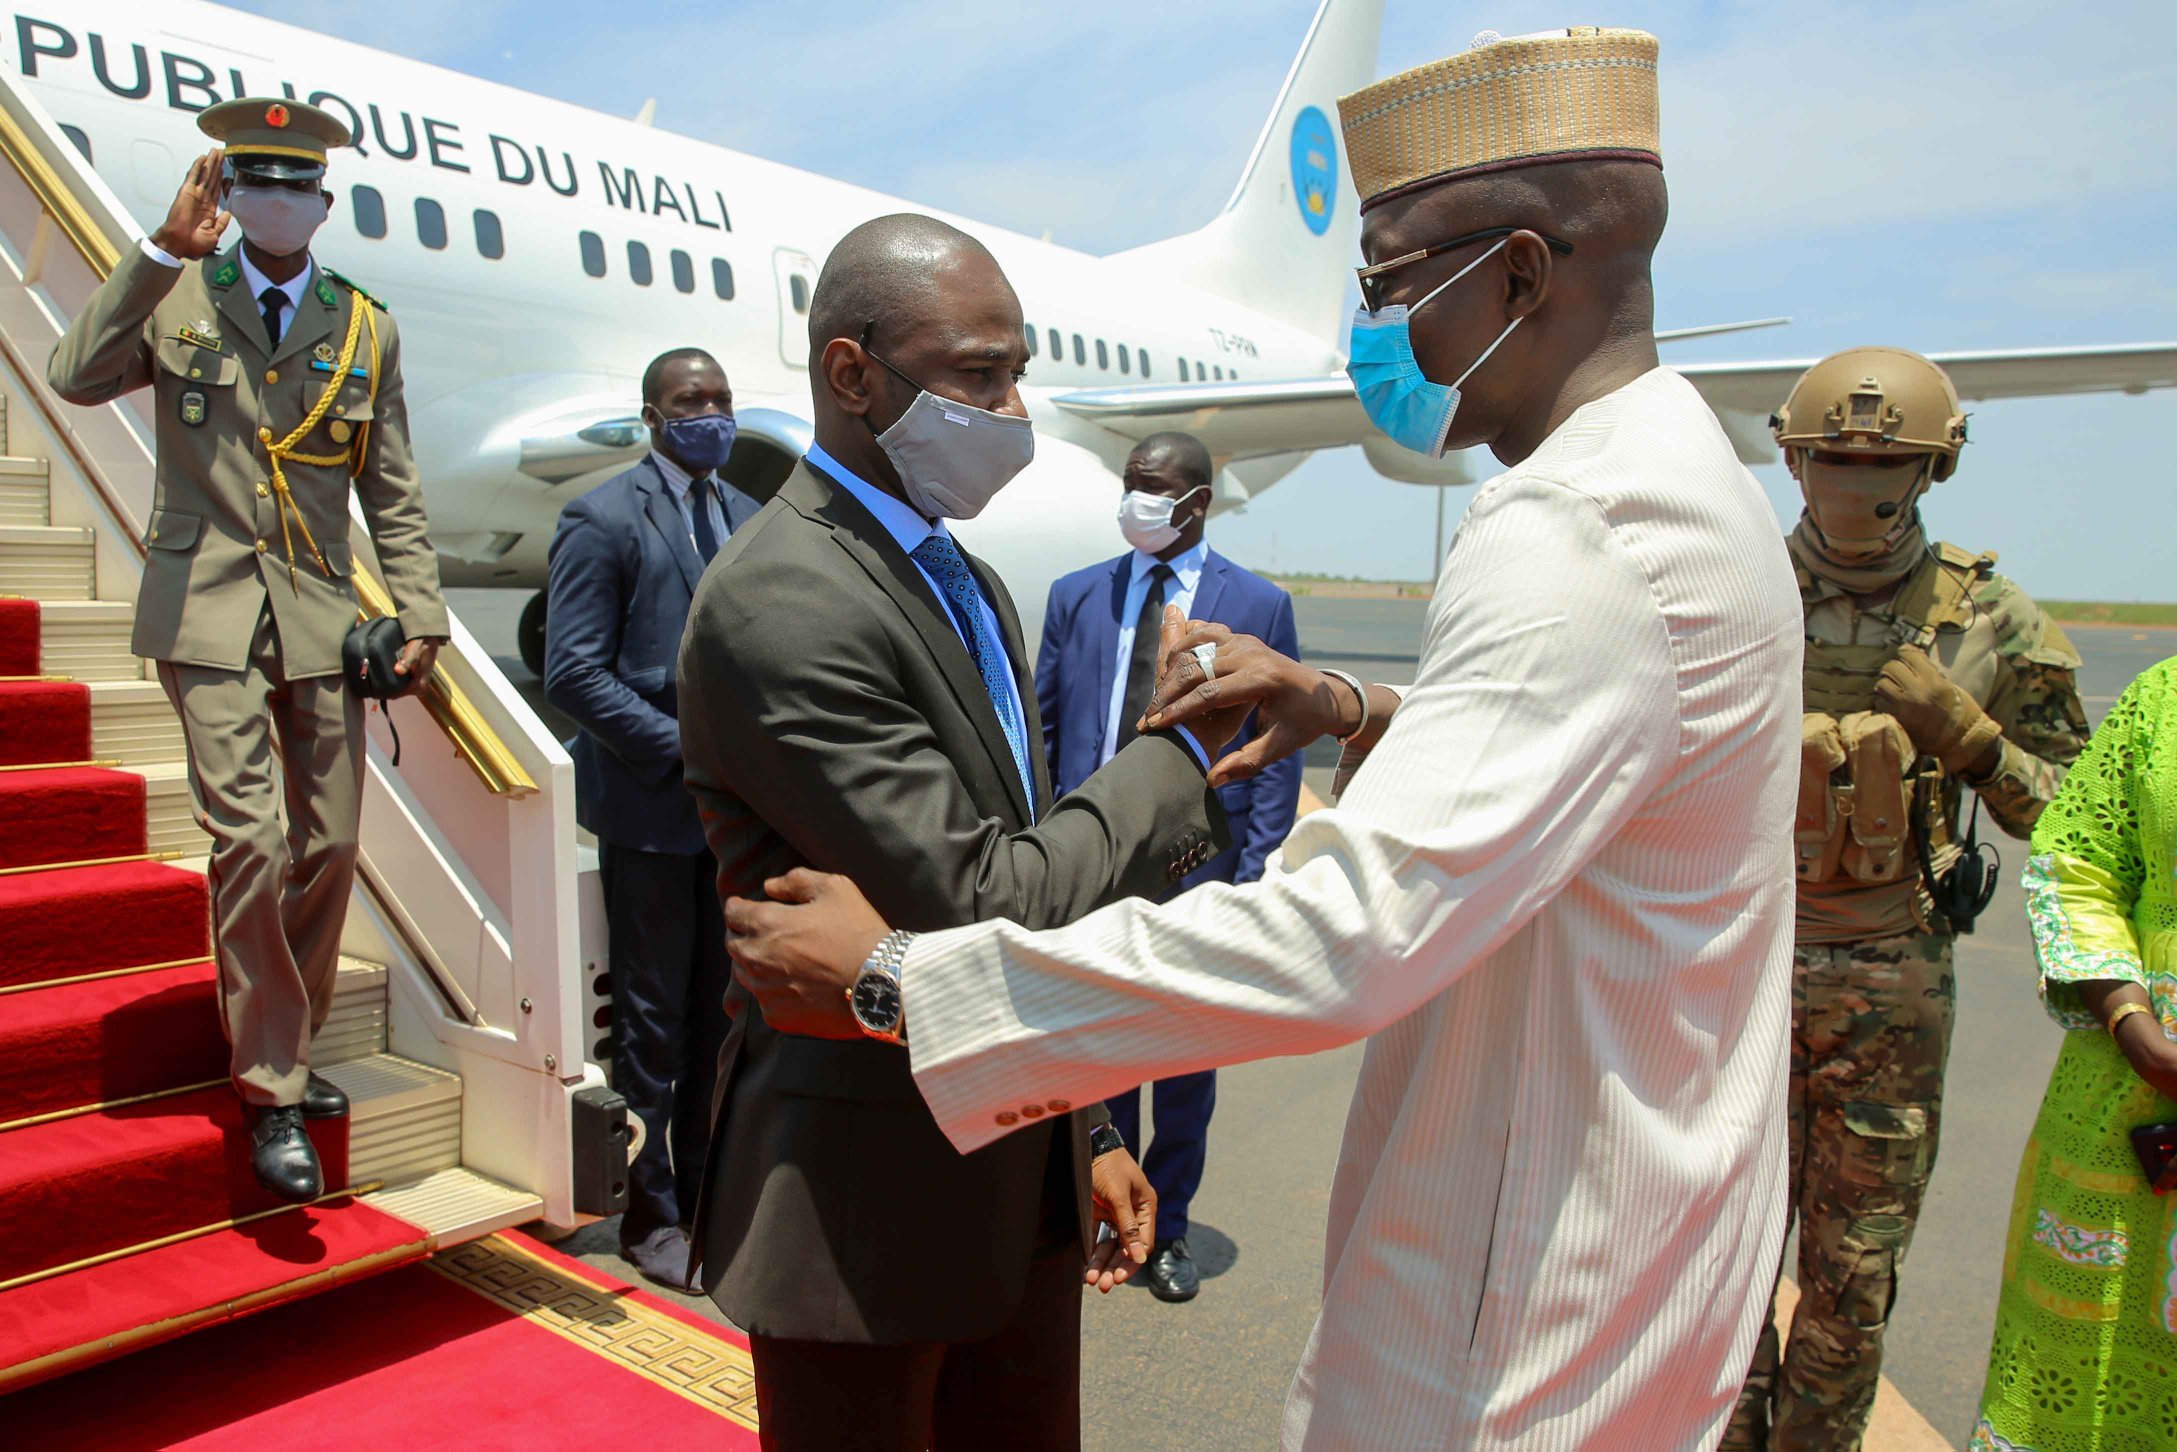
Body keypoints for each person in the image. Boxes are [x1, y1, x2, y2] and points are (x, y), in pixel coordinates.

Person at [720, 29, 1806, 1449]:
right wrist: (1357, 709)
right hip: (1620, 1232)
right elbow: (1609, 763)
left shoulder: (1581, 528)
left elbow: (1339, 938)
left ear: (1522, 277)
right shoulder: (1681, 479)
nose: (1367, 327)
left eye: (1390, 282)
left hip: (1522, 1298)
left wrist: (901, 989)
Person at [674, 212, 1225, 1449]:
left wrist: (1081, 1127)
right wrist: (1175, 751)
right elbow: (984, 897)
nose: (1013, 406)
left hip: (1012, 1175)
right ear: (851, 373)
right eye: (980, 373)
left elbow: (1019, 859)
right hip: (861, 1212)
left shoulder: (958, 578)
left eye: (1017, 369)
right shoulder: (785, 597)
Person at [47, 100, 447, 1204]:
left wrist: (421, 617)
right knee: (253, 843)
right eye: (254, 183)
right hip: (206, 608)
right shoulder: (179, 295)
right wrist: (156, 253)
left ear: (323, 203)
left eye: (298, 186)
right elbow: (73, 374)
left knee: (330, 846)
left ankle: (287, 1032)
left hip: (320, 615)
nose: (277, 202)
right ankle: (273, 1087)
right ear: (228, 194)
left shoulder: (364, 326)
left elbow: (393, 489)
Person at [1723, 348, 2089, 1451]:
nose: (1850, 483)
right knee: (1716, 1274)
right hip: (1728, 973)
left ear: (1932, 470)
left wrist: (1972, 743)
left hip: (1888, 991)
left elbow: (2072, 818)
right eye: (1830, 456)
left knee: (1851, 1279)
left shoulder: (1995, 622)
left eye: (1882, 463)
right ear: (1789, 458)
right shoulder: (1727, 591)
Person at [1035, 429, 1302, 1302]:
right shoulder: (1077, 596)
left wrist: (1253, 870)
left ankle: (1173, 1227)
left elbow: (1274, 741)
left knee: (1184, 1059)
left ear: (1197, 502)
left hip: (1198, 863)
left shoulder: (1256, 602)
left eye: (1153, 490)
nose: (1135, 503)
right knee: (1099, 1050)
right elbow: (1044, 729)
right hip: (1091, 862)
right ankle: (1109, 1212)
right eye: (1129, 486)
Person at [542, 347, 757, 1290]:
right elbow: (573, 672)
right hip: (650, 812)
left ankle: (714, 1198)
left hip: (739, 817)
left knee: (726, 1018)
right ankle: (649, 1211)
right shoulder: (601, 517)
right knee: (651, 1028)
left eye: (717, 399)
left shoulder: (750, 518)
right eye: (687, 402)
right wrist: (686, 747)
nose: (706, 414)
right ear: (651, 415)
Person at [1969, 657, 2177, 1450]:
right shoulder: (2158, 700)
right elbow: (2073, 864)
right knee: (2081, 1401)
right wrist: (2133, 1026)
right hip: (2127, 1123)